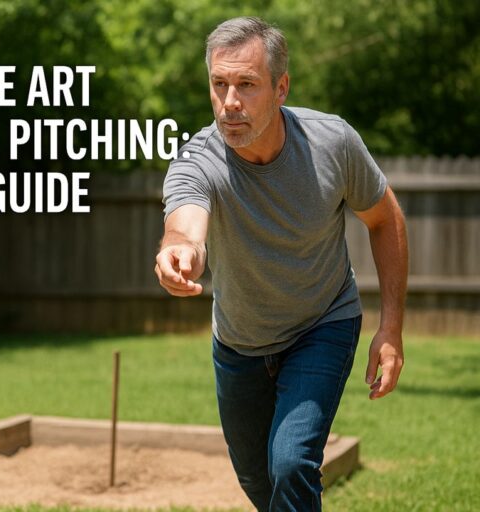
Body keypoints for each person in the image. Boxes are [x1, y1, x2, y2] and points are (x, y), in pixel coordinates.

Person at [154, 16, 408, 512]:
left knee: (291, 462)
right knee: (262, 485)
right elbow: (185, 225)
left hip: (323, 323)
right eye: (219, 84)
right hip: (240, 342)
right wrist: (178, 251)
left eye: (246, 85)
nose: (230, 102)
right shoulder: (196, 160)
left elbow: (386, 219)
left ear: (280, 88)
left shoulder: (332, 144)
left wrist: (391, 328)